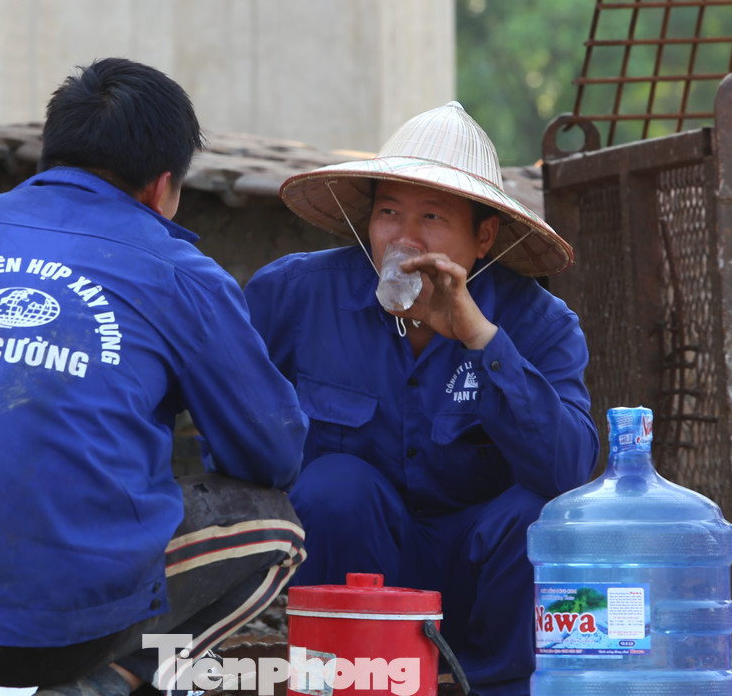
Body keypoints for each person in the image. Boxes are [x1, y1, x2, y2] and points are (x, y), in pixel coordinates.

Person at [0, 59, 308, 696]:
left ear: (49, 156)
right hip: (64, 627)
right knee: (275, 526)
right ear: (162, 186)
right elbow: (273, 455)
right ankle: (103, 684)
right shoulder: (179, 272)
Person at [244, 101, 598, 696]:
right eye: (388, 212)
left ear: (484, 236)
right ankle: (348, 681)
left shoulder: (541, 323)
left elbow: (569, 471)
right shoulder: (296, 294)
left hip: (481, 586)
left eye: (432, 216)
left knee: (536, 513)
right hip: (356, 582)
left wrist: (480, 337)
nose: (404, 238)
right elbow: (230, 424)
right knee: (335, 486)